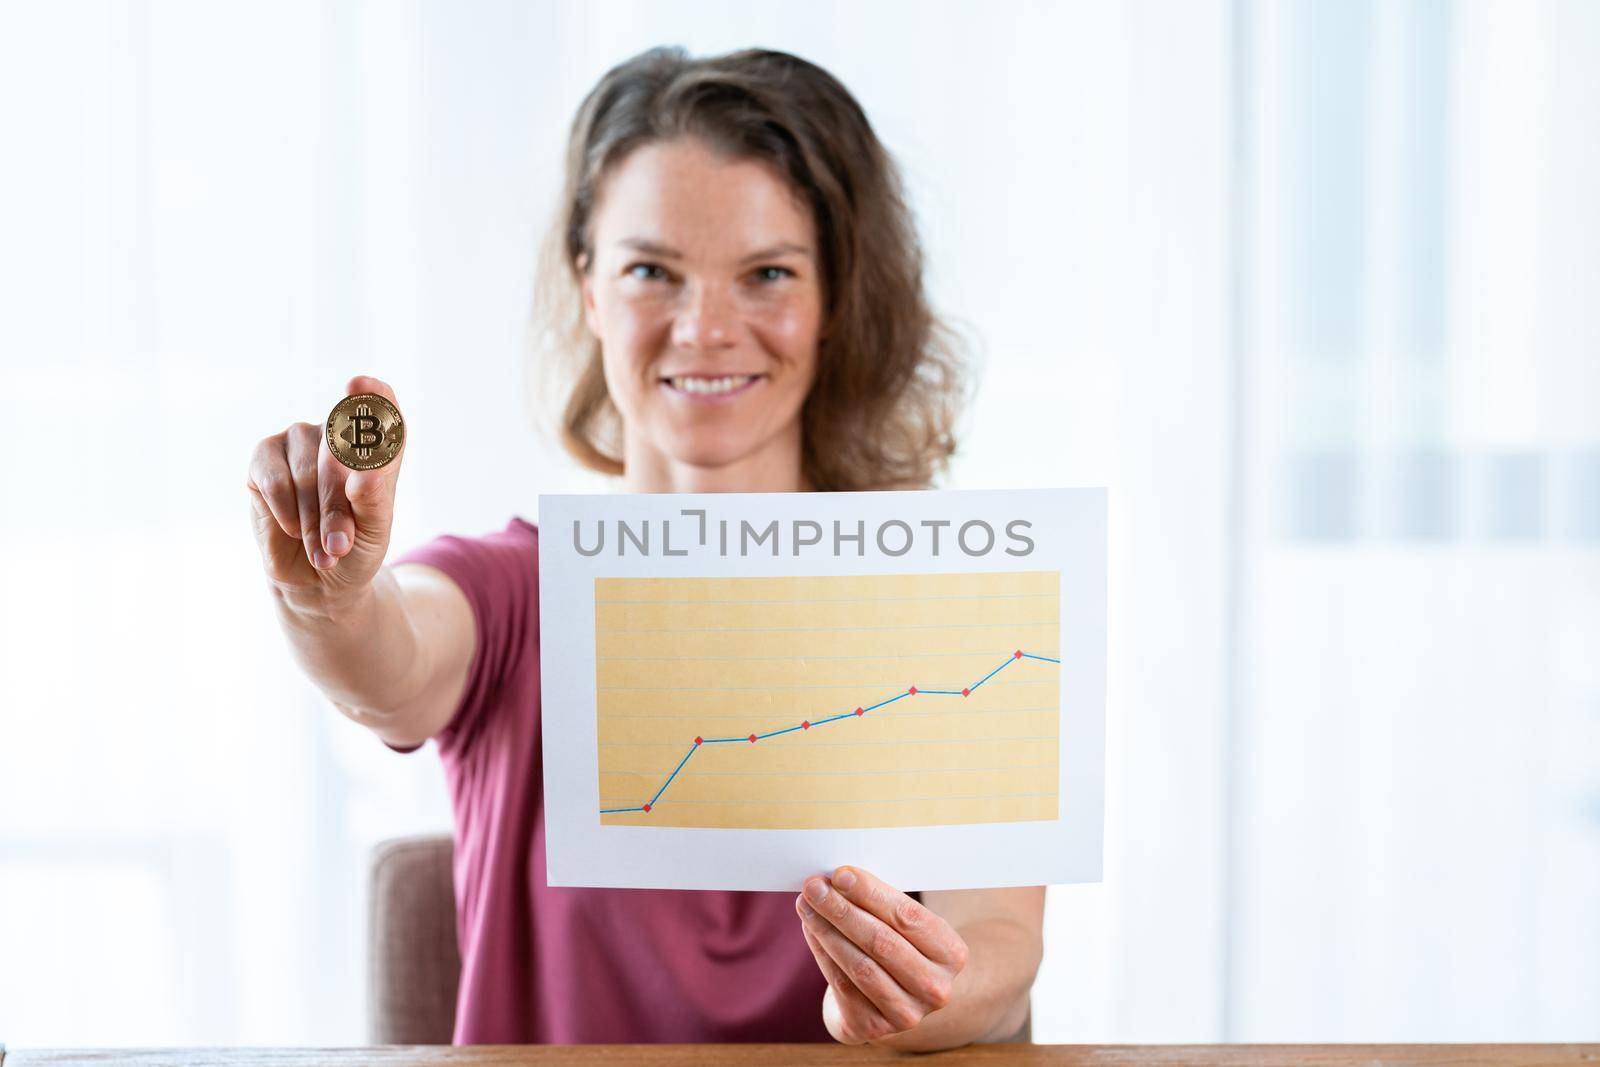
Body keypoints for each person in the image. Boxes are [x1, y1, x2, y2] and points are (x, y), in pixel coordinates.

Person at [245, 45, 1043, 1050]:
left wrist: (915, 997)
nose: (705, 328)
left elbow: (1001, 943)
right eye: (649, 271)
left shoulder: (945, 600)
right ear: (587, 288)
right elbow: (386, 657)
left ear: (836, 296)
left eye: (766, 273)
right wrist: (328, 599)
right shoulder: (513, 593)